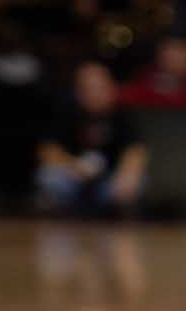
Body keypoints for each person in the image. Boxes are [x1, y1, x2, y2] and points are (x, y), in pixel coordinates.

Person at [37, 61, 147, 217]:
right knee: (49, 177)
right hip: (73, 176)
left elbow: (135, 150)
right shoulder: (66, 111)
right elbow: (48, 150)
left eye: (100, 87)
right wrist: (73, 166)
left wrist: (126, 174)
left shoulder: (123, 113)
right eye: (87, 88)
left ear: (111, 87)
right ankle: (65, 213)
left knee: (136, 181)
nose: (94, 93)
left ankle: (113, 214)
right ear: (77, 91)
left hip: (109, 180)